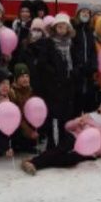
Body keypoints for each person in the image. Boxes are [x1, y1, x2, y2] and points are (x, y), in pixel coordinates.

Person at [20, 100, 101, 175]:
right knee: (61, 149)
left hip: (87, 150)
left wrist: (97, 153)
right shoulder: (89, 117)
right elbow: (67, 126)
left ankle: (33, 161)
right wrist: (78, 121)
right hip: (74, 137)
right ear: (100, 109)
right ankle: (35, 163)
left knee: (68, 160)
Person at [25, 18, 69, 149]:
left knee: (61, 115)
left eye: (64, 27)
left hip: (63, 84)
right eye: (58, 27)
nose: (61, 30)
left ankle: (60, 141)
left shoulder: (64, 43)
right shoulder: (47, 43)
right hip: (50, 84)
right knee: (51, 115)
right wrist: (55, 72)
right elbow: (43, 63)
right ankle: (51, 142)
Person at [70, 5, 98, 114]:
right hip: (77, 72)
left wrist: (93, 66)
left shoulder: (90, 31)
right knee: (76, 102)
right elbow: (72, 50)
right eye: (83, 11)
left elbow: (93, 50)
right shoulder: (73, 29)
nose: (85, 14)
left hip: (88, 73)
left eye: (87, 12)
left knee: (88, 102)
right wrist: (77, 66)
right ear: (78, 13)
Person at [9, 63, 39, 153]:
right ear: (16, 78)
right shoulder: (12, 93)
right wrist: (29, 132)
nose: (25, 79)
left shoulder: (30, 90)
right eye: (21, 76)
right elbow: (17, 117)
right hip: (17, 124)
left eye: (26, 76)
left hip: (26, 123)